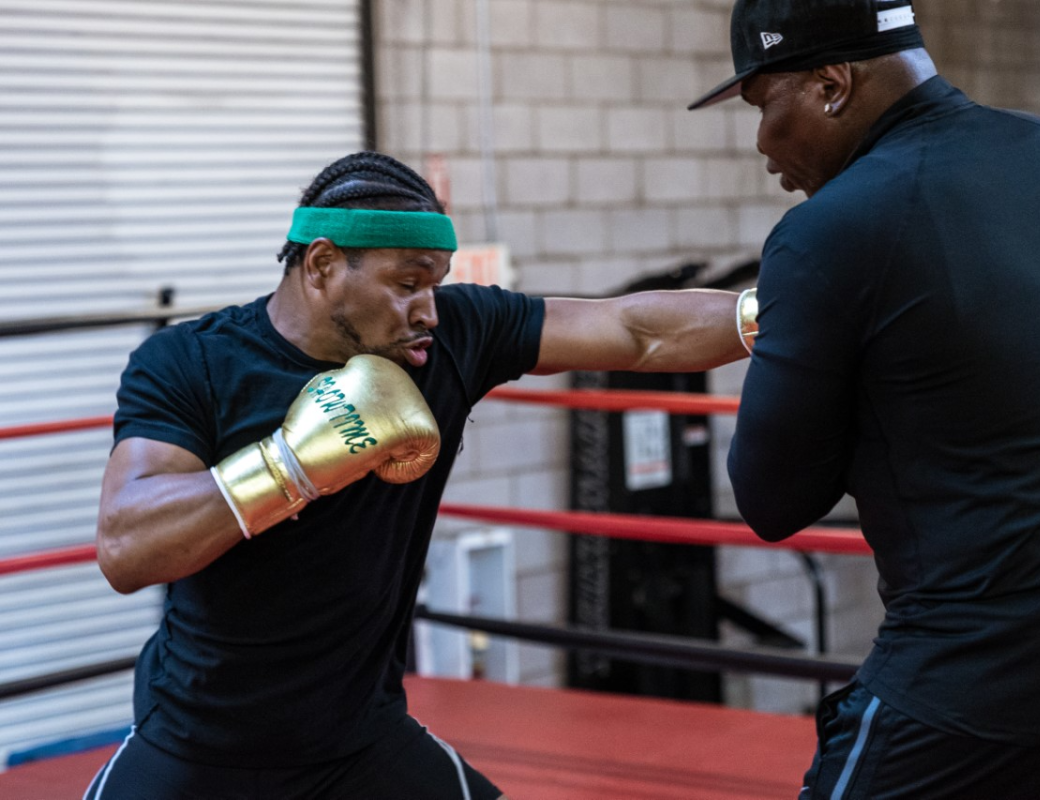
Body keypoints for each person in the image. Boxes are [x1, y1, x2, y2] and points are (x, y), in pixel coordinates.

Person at [89, 151, 748, 800]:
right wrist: (291, 463)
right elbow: (127, 548)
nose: (428, 309)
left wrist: (785, 313)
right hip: (197, 744)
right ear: (321, 265)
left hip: (358, 741)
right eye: (406, 284)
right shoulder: (188, 362)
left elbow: (634, 331)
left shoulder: (450, 337)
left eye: (435, 282)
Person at [693, 1, 1040, 798]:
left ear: (832, 83)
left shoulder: (827, 232)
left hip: (998, 661)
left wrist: (809, 338)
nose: (762, 145)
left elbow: (773, 497)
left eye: (764, 106)